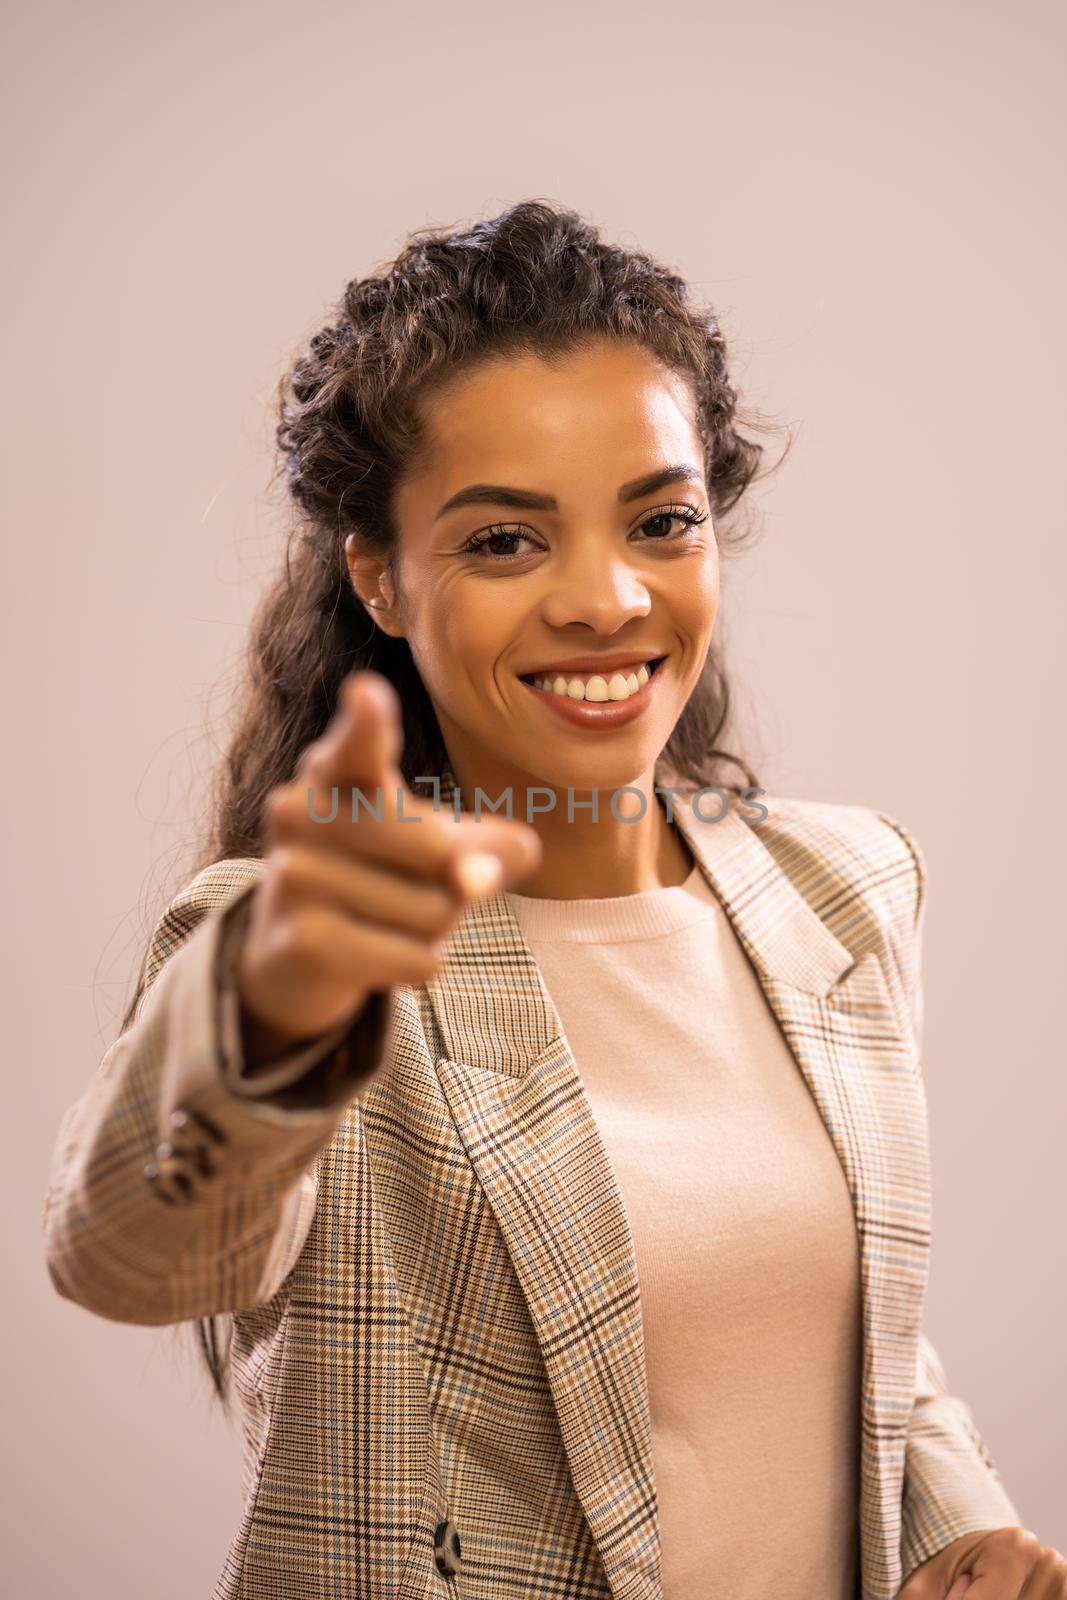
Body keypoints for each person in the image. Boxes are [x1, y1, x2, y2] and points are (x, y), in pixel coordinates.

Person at [43, 200, 1055, 1600]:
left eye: (660, 521)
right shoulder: (308, 939)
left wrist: (952, 1516)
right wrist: (275, 1009)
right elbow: (140, 1258)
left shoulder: (847, 889)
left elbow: (838, 1317)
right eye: (508, 541)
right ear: (379, 577)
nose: (605, 599)